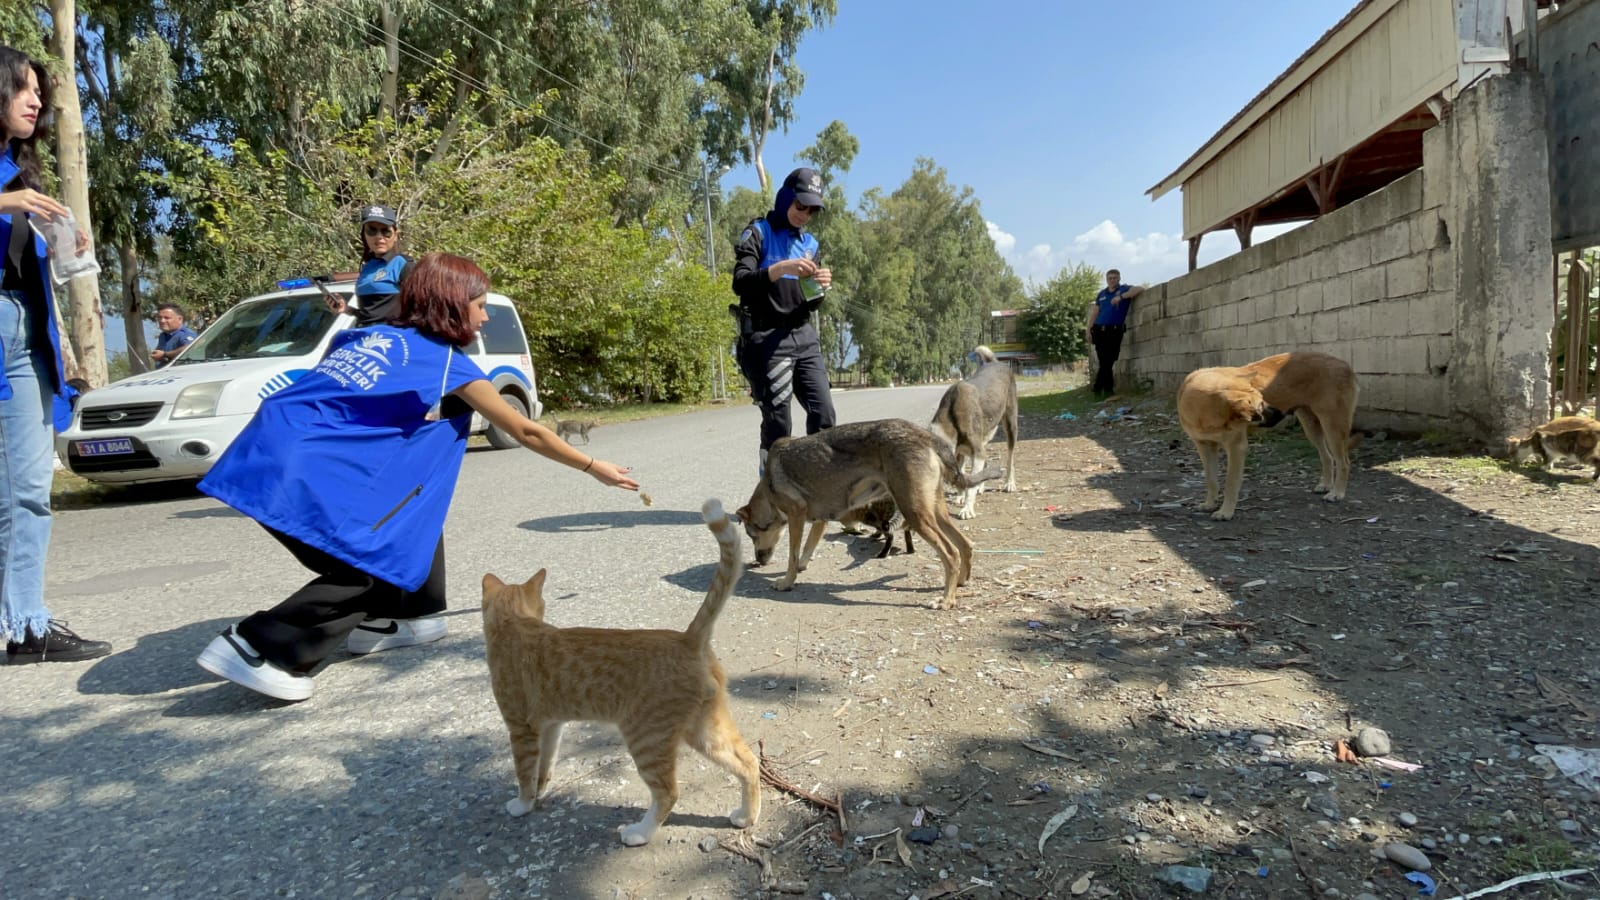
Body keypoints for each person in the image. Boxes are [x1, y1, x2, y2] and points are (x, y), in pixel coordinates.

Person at [194, 253, 639, 701]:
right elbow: (523, 428)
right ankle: (258, 646)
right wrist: (592, 466)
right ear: (451, 304)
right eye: (479, 305)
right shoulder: (446, 362)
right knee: (370, 558)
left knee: (404, 514)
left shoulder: (364, 334)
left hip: (262, 451)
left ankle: (393, 619)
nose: (484, 316)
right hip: (308, 467)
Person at [1, 46, 111, 664]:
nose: (35, 99)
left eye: (38, 90)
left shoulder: (19, 170)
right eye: (22, 88)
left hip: (23, 331)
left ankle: (23, 623)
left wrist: (60, 241)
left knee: (24, 489)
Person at [731, 167, 836, 472]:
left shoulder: (811, 244)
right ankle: (771, 492)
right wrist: (781, 268)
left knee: (824, 416)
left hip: (803, 337)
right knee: (779, 422)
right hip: (767, 340)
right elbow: (741, 282)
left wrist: (821, 287)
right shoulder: (758, 233)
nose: (805, 214)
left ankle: (820, 488)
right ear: (785, 198)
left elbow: (811, 301)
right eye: (800, 206)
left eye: (812, 210)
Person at [325, 204, 407, 325]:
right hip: (365, 337)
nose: (379, 237)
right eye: (372, 230)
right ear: (364, 235)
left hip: (392, 340)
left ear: (396, 235)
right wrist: (346, 309)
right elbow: (369, 316)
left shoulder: (403, 264)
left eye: (385, 231)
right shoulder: (368, 267)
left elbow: (424, 309)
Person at [1086, 268, 1145, 398]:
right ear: (1107, 280)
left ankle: (1100, 388)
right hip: (1099, 330)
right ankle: (1105, 390)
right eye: (1109, 278)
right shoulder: (1101, 294)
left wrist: (1121, 297)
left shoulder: (1124, 289)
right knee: (1104, 362)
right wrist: (1088, 330)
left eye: (1114, 278)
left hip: (1114, 331)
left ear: (1119, 278)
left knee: (1110, 360)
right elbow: (1095, 313)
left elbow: (1140, 289)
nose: (1112, 280)